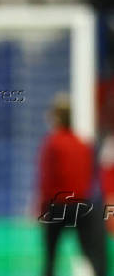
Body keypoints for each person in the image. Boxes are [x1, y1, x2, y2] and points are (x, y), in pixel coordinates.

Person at [38, 93, 107, 276]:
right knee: (95, 255)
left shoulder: (52, 143)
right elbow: (92, 177)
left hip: (58, 205)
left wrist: (42, 207)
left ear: (57, 117)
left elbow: (47, 178)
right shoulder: (84, 144)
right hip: (82, 206)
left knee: (50, 257)